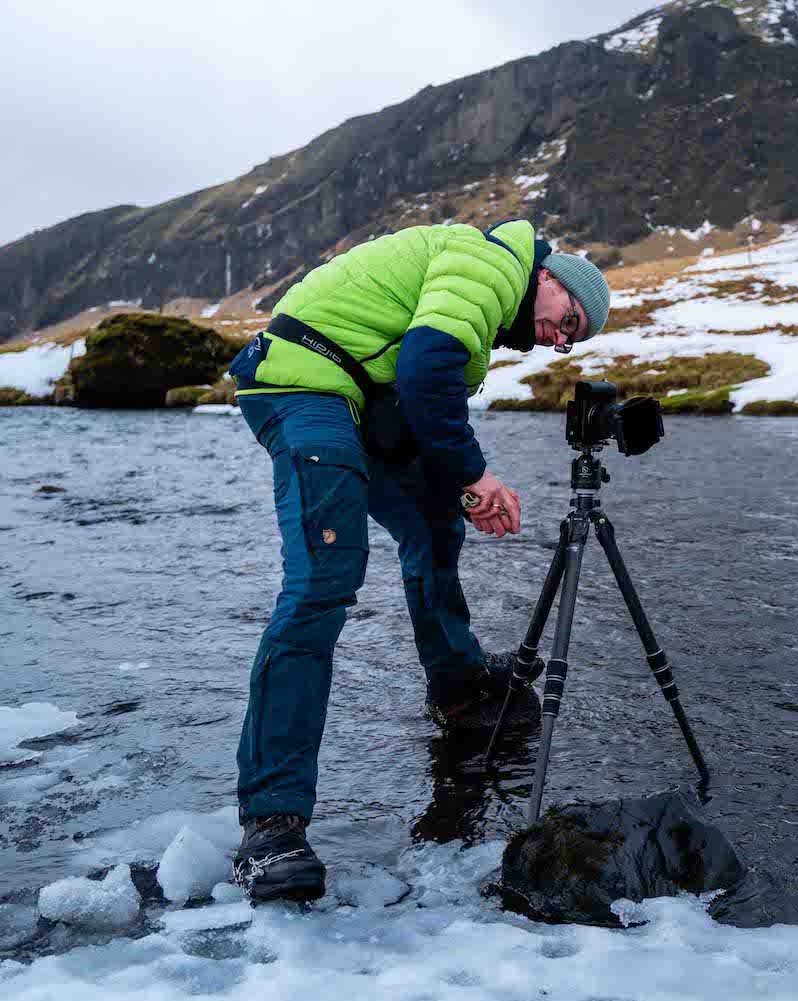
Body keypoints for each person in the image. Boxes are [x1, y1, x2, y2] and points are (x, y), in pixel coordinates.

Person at [222, 219, 611, 902]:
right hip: (301, 385)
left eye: (571, 338)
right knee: (322, 582)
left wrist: (458, 486)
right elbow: (427, 369)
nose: (559, 339)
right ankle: (270, 824)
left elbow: (419, 395)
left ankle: (459, 686)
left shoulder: (486, 286)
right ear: (549, 280)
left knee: (434, 519)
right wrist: (476, 475)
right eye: (567, 320)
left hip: (355, 398)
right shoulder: (496, 263)